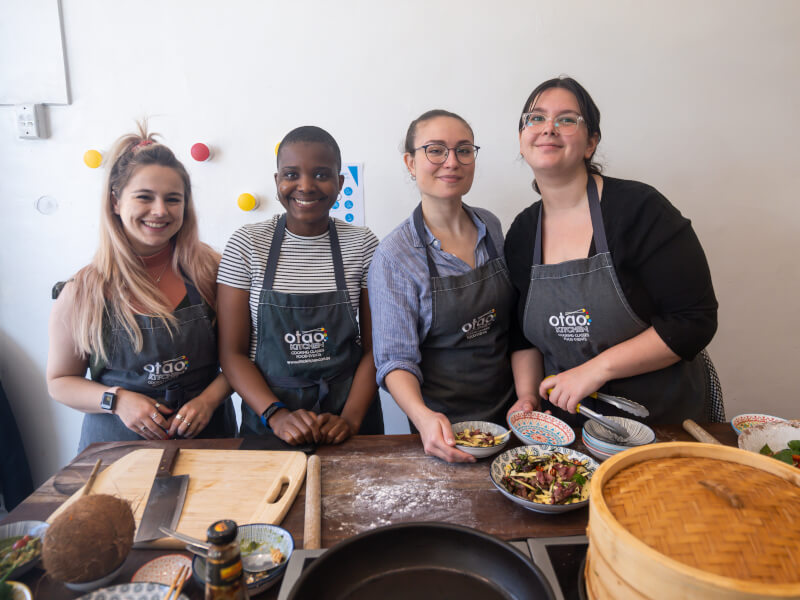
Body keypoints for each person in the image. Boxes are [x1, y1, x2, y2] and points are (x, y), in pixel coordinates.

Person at [504, 77, 718, 426]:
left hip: (662, 420)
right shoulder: (521, 233)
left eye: (567, 119)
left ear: (591, 143)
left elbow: (694, 319)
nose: (549, 129)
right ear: (522, 139)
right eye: (536, 118)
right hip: (569, 424)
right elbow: (519, 334)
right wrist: (527, 395)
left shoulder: (641, 211)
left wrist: (595, 370)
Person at [47, 124, 236, 452]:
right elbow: (60, 382)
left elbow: (243, 357)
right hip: (114, 452)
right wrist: (116, 400)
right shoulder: (83, 290)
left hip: (210, 442)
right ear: (116, 202)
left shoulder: (212, 272)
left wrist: (209, 400)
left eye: (173, 199)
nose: (160, 210)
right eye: (144, 197)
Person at [217, 126, 383, 446]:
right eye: (291, 174)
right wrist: (276, 414)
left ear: (340, 183)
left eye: (321, 174)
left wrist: (350, 418)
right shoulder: (246, 244)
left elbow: (376, 348)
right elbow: (231, 353)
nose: (305, 186)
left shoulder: (363, 244)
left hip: (348, 419)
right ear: (277, 180)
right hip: (267, 418)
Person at [369, 109, 516, 463]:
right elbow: (395, 361)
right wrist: (422, 417)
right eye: (435, 150)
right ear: (410, 162)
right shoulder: (395, 257)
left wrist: (525, 399)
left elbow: (512, 327)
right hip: (443, 428)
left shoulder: (491, 227)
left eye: (464, 150)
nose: (452, 162)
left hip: (512, 414)